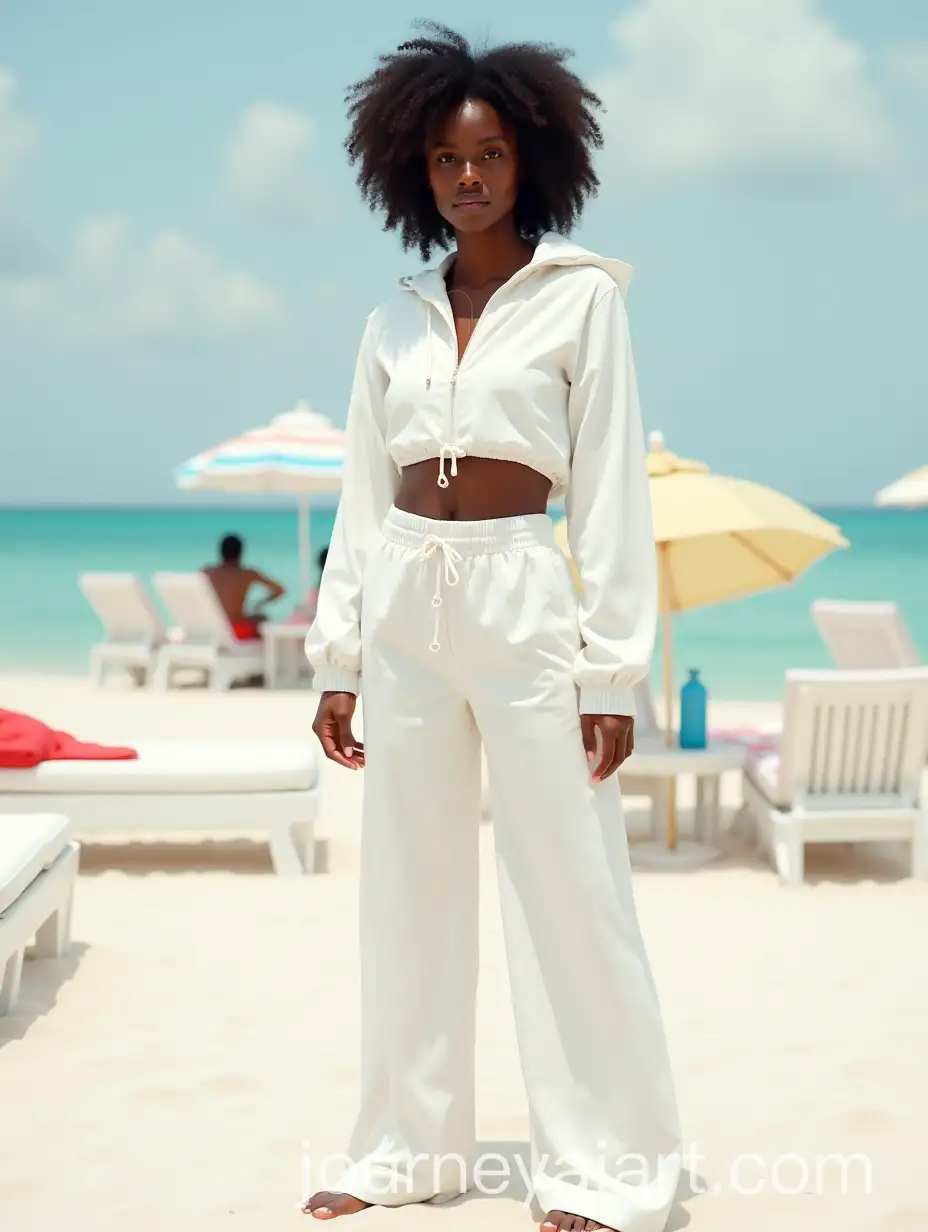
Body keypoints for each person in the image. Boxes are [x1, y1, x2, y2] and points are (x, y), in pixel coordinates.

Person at [303, 22, 682, 1232]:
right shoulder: (391, 320)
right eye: (446, 159)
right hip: (410, 594)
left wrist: (613, 667)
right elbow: (363, 498)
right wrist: (340, 655)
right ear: (411, 172)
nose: (468, 177)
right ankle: (405, 1149)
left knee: (569, 888)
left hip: (526, 595)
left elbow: (613, 487)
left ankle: (608, 1167)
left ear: (534, 164)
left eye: (492, 155)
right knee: (406, 888)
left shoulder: (582, 304)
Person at [202, 534, 285, 639]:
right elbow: (279, 590)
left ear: (221, 552)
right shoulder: (248, 574)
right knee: (263, 619)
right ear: (240, 553)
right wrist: (259, 604)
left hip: (213, 629)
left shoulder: (207, 572)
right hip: (236, 630)